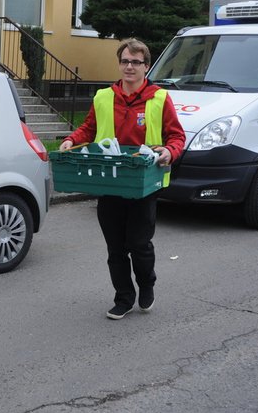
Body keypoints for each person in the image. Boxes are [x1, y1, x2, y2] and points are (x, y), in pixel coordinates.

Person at [59, 39, 185, 320]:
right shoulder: (104, 96)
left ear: (146, 66)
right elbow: (88, 128)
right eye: (125, 61)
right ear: (119, 64)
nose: (130, 67)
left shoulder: (159, 98)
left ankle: (147, 284)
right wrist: (71, 140)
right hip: (111, 181)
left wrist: (169, 151)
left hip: (143, 182)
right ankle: (124, 297)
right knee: (115, 248)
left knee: (139, 244)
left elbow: (176, 136)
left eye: (136, 62)